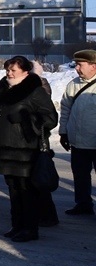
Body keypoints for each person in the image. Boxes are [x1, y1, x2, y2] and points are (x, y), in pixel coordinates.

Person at [0, 56, 59, 242]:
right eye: (7, 70)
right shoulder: (1, 89)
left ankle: (30, 229)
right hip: (5, 150)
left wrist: (26, 119)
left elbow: (50, 118)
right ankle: (17, 225)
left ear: (25, 72)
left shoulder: (34, 91)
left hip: (26, 150)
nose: (9, 73)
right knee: (13, 189)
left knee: (26, 191)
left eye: (13, 70)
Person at [59, 48, 96, 216]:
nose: (77, 68)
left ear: (93, 66)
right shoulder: (73, 84)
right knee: (80, 176)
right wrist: (63, 133)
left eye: (80, 65)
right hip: (78, 142)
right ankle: (83, 204)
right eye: (76, 65)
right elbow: (65, 109)